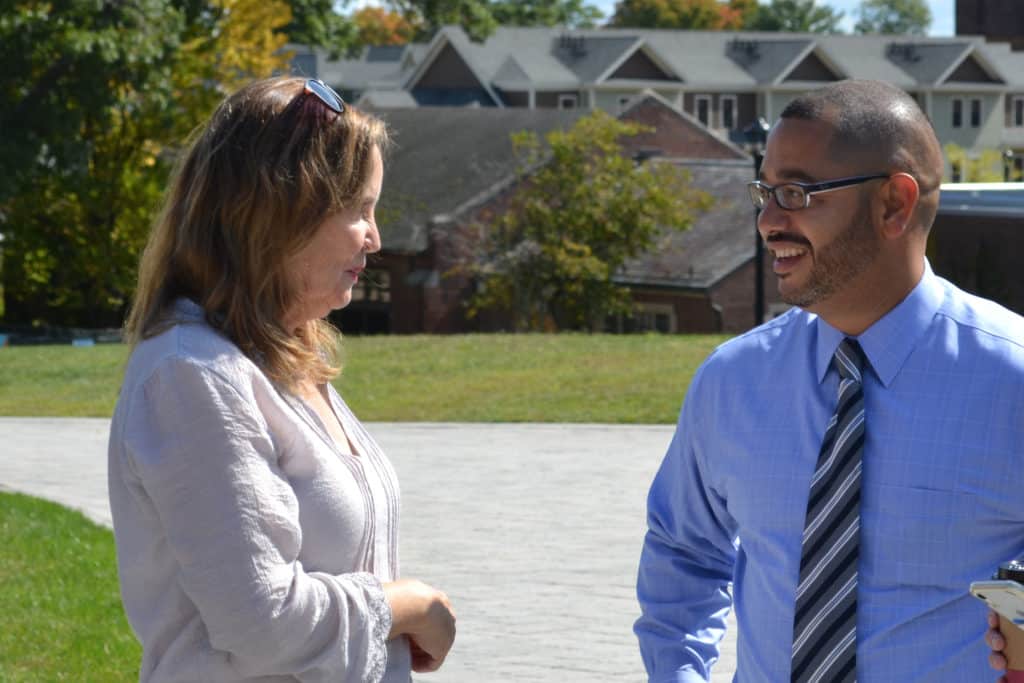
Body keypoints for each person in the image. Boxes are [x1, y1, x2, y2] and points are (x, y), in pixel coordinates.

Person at [634, 78, 1024, 681]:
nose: (766, 221)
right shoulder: (733, 380)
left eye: (795, 192)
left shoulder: (1012, 379)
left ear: (893, 203)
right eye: (764, 192)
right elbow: (683, 551)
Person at [107, 77, 455, 682]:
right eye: (360, 210)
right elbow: (262, 622)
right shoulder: (193, 375)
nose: (375, 238)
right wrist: (410, 607)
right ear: (281, 214)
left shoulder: (285, 353)